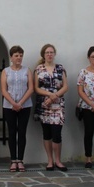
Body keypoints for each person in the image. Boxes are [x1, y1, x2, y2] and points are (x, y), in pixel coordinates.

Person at [33, 43, 68, 172]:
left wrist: (55, 95)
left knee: (57, 133)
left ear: (54, 54)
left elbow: (65, 86)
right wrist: (49, 94)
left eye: (51, 52)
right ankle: (50, 161)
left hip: (58, 105)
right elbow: (36, 88)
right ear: (43, 54)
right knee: (47, 133)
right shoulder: (38, 69)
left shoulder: (60, 68)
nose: (49, 54)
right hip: (44, 104)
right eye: (47, 52)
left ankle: (58, 160)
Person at [1, 45, 33, 172]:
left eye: (20, 55)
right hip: (9, 107)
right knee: (12, 132)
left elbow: (31, 88)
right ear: (11, 57)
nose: (19, 58)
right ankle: (13, 160)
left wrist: (20, 103)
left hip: (25, 106)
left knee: (22, 132)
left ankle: (20, 160)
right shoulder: (5, 71)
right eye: (16, 55)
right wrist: (13, 103)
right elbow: (4, 90)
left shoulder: (27, 70)